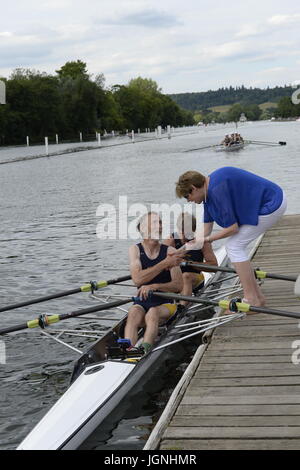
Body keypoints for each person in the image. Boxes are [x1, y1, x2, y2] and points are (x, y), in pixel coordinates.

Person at [175, 167, 287, 312]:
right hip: (271, 199)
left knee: (234, 246)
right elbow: (206, 228)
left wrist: (208, 239)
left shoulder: (216, 190)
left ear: (193, 188)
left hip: (272, 204)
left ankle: (252, 299)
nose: (188, 201)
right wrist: (188, 246)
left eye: (186, 196)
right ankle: (257, 298)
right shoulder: (208, 192)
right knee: (234, 246)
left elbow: (232, 229)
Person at [124, 212, 183, 354]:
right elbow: (137, 280)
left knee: (152, 313)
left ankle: (145, 350)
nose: (160, 227)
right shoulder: (135, 250)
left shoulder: (171, 251)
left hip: (165, 304)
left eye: (161, 223)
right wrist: (164, 264)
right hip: (142, 302)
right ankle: (127, 350)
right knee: (133, 312)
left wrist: (155, 286)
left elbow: (178, 285)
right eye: (155, 223)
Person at [164, 212, 218, 305]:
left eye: (188, 233)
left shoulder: (202, 242)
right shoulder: (171, 240)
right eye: (182, 232)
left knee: (186, 276)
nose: (184, 237)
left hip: (195, 277)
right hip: (175, 279)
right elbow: (160, 263)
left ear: (194, 230)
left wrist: (190, 263)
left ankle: (182, 308)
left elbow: (214, 266)